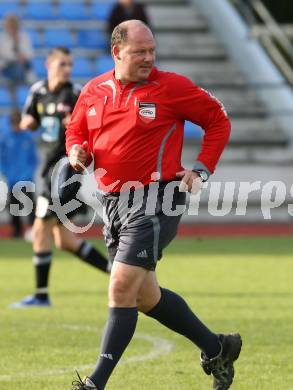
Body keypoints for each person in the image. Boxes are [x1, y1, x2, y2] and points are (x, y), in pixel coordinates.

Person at [67, 21, 242, 390]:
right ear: (117, 53)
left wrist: (202, 170)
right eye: (139, 52)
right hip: (112, 202)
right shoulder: (93, 90)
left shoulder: (171, 87)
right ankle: (217, 347)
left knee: (120, 287)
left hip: (156, 199)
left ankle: (95, 384)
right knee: (146, 297)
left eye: (152, 50)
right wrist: (76, 151)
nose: (149, 58)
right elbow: (76, 130)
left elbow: (218, 121)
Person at [10, 47, 111, 309]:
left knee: (40, 226)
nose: (67, 69)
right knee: (64, 240)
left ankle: (41, 295)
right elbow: (28, 119)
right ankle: (118, 274)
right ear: (49, 64)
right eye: (63, 64)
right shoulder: (38, 91)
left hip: (66, 169)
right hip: (45, 169)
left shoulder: (76, 93)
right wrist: (27, 123)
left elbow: (94, 126)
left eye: (70, 64)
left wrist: (77, 126)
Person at [0, 109, 37, 238]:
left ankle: (34, 229)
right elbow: (2, 158)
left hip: (26, 178)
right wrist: (6, 172)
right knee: (14, 206)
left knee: (31, 205)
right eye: (13, 123)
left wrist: (28, 173)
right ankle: (17, 231)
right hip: (12, 178)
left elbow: (33, 159)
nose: (16, 126)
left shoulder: (28, 138)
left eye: (17, 123)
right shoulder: (6, 138)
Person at [0, 14, 35, 105]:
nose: (12, 29)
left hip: (22, 65)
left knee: (23, 68)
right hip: (7, 67)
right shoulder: (2, 39)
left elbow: (29, 53)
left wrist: (18, 44)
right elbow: (5, 55)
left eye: (14, 26)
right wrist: (17, 57)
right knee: (19, 69)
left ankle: (19, 87)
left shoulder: (24, 37)